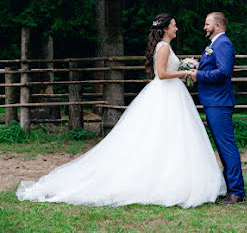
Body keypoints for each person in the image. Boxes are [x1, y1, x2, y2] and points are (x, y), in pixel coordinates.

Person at [17, 13, 226, 208]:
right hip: (166, 93)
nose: (177, 28)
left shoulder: (164, 46)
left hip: (172, 93)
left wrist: (181, 71)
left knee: (172, 137)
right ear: (165, 29)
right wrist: (184, 72)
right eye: (174, 26)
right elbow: (162, 74)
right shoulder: (163, 47)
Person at [190, 12, 245, 204]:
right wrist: (199, 67)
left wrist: (200, 75)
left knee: (227, 147)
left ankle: (237, 192)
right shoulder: (213, 44)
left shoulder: (223, 44)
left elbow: (224, 72)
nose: (204, 27)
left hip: (219, 102)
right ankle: (231, 187)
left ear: (218, 26)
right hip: (213, 101)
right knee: (222, 148)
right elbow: (213, 67)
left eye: (207, 24)